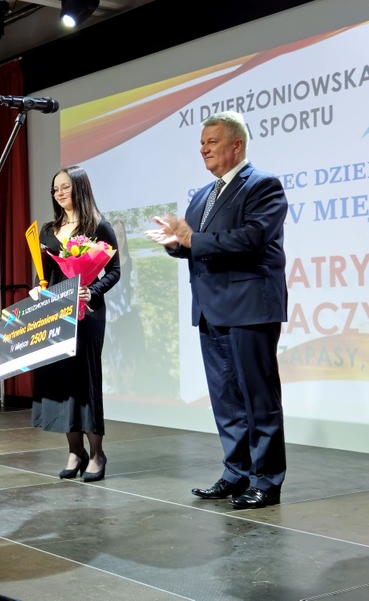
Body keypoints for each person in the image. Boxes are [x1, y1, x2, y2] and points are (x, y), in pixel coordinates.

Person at [145, 111, 288, 509]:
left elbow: (253, 237)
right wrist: (175, 244)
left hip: (249, 308)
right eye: (201, 143)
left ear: (236, 145)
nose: (203, 149)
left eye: (212, 142)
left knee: (258, 398)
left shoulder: (262, 185)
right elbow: (196, 244)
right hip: (211, 309)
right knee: (226, 400)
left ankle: (266, 480)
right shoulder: (202, 196)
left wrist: (193, 241)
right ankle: (236, 472)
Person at [32, 165, 120, 482]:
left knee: (86, 380)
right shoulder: (47, 230)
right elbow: (43, 274)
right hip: (56, 312)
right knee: (62, 380)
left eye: (65, 187)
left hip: (88, 312)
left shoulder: (98, 226)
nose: (59, 193)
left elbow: (114, 271)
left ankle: (97, 453)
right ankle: (75, 451)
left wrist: (91, 290)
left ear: (80, 187)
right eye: (55, 188)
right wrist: (37, 289)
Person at [103, 219, 145, 395]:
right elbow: (101, 291)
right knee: (113, 355)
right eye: (115, 235)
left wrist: (134, 301)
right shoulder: (103, 264)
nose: (119, 239)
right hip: (110, 318)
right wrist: (109, 313)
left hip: (128, 315)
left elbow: (136, 289)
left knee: (131, 353)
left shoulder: (131, 262)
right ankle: (116, 389)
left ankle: (128, 390)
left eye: (121, 235)